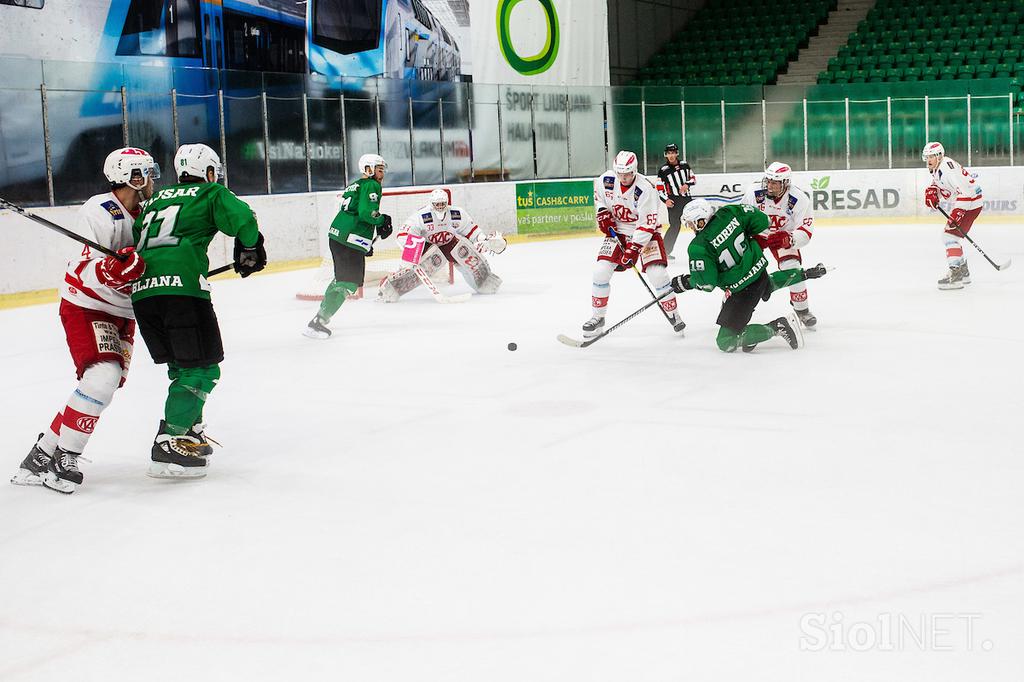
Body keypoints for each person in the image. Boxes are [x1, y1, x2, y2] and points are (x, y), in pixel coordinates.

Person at [12, 147, 157, 494]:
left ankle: (40, 455)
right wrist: (112, 268)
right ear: (132, 177)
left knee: (103, 387)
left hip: (123, 311)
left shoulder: (149, 211)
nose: (151, 180)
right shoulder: (100, 211)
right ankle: (65, 458)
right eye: (146, 173)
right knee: (101, 376)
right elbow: (85, 267)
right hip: (86, 304)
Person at [131, 143, 266, 479]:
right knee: (204, 370)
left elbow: (140, 238)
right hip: (182, 292)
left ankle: (188, 433)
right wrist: (250, 247)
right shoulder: (210, 191)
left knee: (182, 368)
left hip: (144, 296)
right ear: (209, 171)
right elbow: (244, 219)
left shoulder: (154, 202)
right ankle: (170, 440)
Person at [669, 199, 829, 353]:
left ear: (701, 221)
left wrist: (685, 282)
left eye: (691, 223)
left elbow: (707, 283)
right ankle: (807, 273)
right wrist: (805, 274)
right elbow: (763, 221)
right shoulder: (730, 212)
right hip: (759, 271)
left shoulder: (698, 247)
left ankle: (778, 326)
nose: (690, 227)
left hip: (741, 290)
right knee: (768, 284)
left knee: (726, 342)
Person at [583, 150, 685, 339]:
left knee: (658, 275)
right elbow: (599, 199)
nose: (624, 178)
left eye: (628, 174)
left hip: (646, 233)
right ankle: (598, 317)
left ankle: (674, 314)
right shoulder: (605, 180)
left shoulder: (645, 188)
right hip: (619, 231)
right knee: (600, 271)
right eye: (620, 174)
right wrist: (602, 212)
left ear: (635, 171)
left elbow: (646, 224)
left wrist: (634, 249)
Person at [305, 154, 393, 339]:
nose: (381, 173)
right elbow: (366, 213)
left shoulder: (355, 185)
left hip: (340, 236)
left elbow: (352, 212)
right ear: (368, 169)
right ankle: (318, 322)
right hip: (348, 239)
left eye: (383, 169)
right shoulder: (371, 185)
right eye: (378, 168)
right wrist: (383, 220)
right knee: (347, 282)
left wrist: (362, 242)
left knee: (342, 280)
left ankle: (320, 318)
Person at [378, 189, 506, 302]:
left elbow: (472, 230)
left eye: (442, 203)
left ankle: (484, 282)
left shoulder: (457, 214)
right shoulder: (421, 216)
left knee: (464, 253)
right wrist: (413, 254)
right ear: (431, 204)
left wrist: (483, 240)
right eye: (436, 204)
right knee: (427, 263)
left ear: (447, 203)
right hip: (428, 247)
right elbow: (402, 235)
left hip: (449, 244)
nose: (440, 206)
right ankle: (391, 287)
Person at [742, 162, 817, 328]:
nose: (769, 186)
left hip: (783, 236)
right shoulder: (753, 192)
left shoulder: (799, 199)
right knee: (740, 270)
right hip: (757, 234)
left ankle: (802, 310)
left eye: (774, 183)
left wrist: (789, 239)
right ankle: (730, 304)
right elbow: (741, 217)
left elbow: (806, 232)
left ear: (785, 183)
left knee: (792, 268)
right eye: (768, 181)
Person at [922, 141, 983, 290]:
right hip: (967, 203)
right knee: (950, 236)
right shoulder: (938, 167)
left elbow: (966, 194)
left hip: (971, 204)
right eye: (926, 156)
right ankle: (963, 272)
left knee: (949, 237)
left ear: (939, 156)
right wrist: (933, 191)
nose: (928, 160)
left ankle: (956, 274)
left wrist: (956, 215)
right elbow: (939, 184)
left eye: (931, 156)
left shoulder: (947, 169)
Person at [656, 143, 696, 258]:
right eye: (669, 153)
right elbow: (659, 188)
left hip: (687, 200)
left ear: (677, 153)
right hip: (673, 201)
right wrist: (666, 200)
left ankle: (706, 247)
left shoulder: (685, 165)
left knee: (697, 223)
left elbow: (693, 178)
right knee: (675, 226)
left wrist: (687, 185)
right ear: (666, 155)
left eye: (673, 153)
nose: (671, 155)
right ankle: (664, 252)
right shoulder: (663, 170)